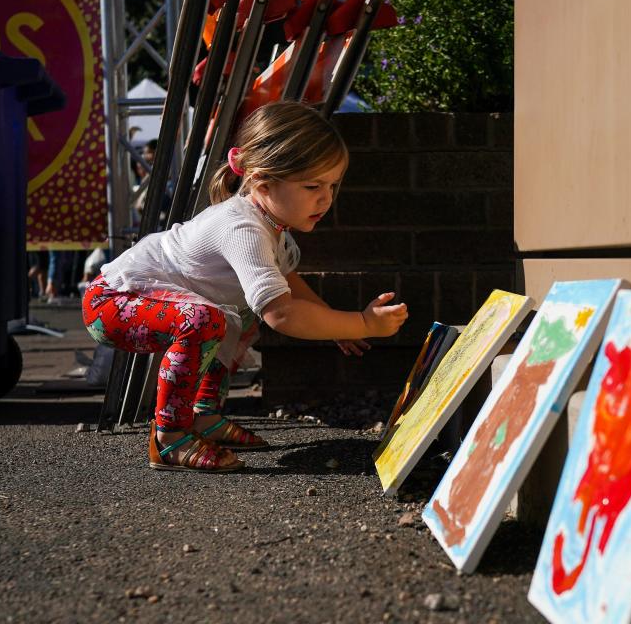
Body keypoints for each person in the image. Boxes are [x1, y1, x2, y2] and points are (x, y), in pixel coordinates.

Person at [81, 101, 408, 472]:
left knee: (241, 314)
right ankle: (170, 437)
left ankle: (202, 415)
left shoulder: (271, 225)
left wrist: (333, 323)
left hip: (140, 300)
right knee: (205, 320)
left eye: (333, 185)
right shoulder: (244, 229)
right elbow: (282, 313)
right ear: (263, 182)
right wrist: (360, 324)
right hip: (113, 302)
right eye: (313, 185)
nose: (326, 198)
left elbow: (285, 281)